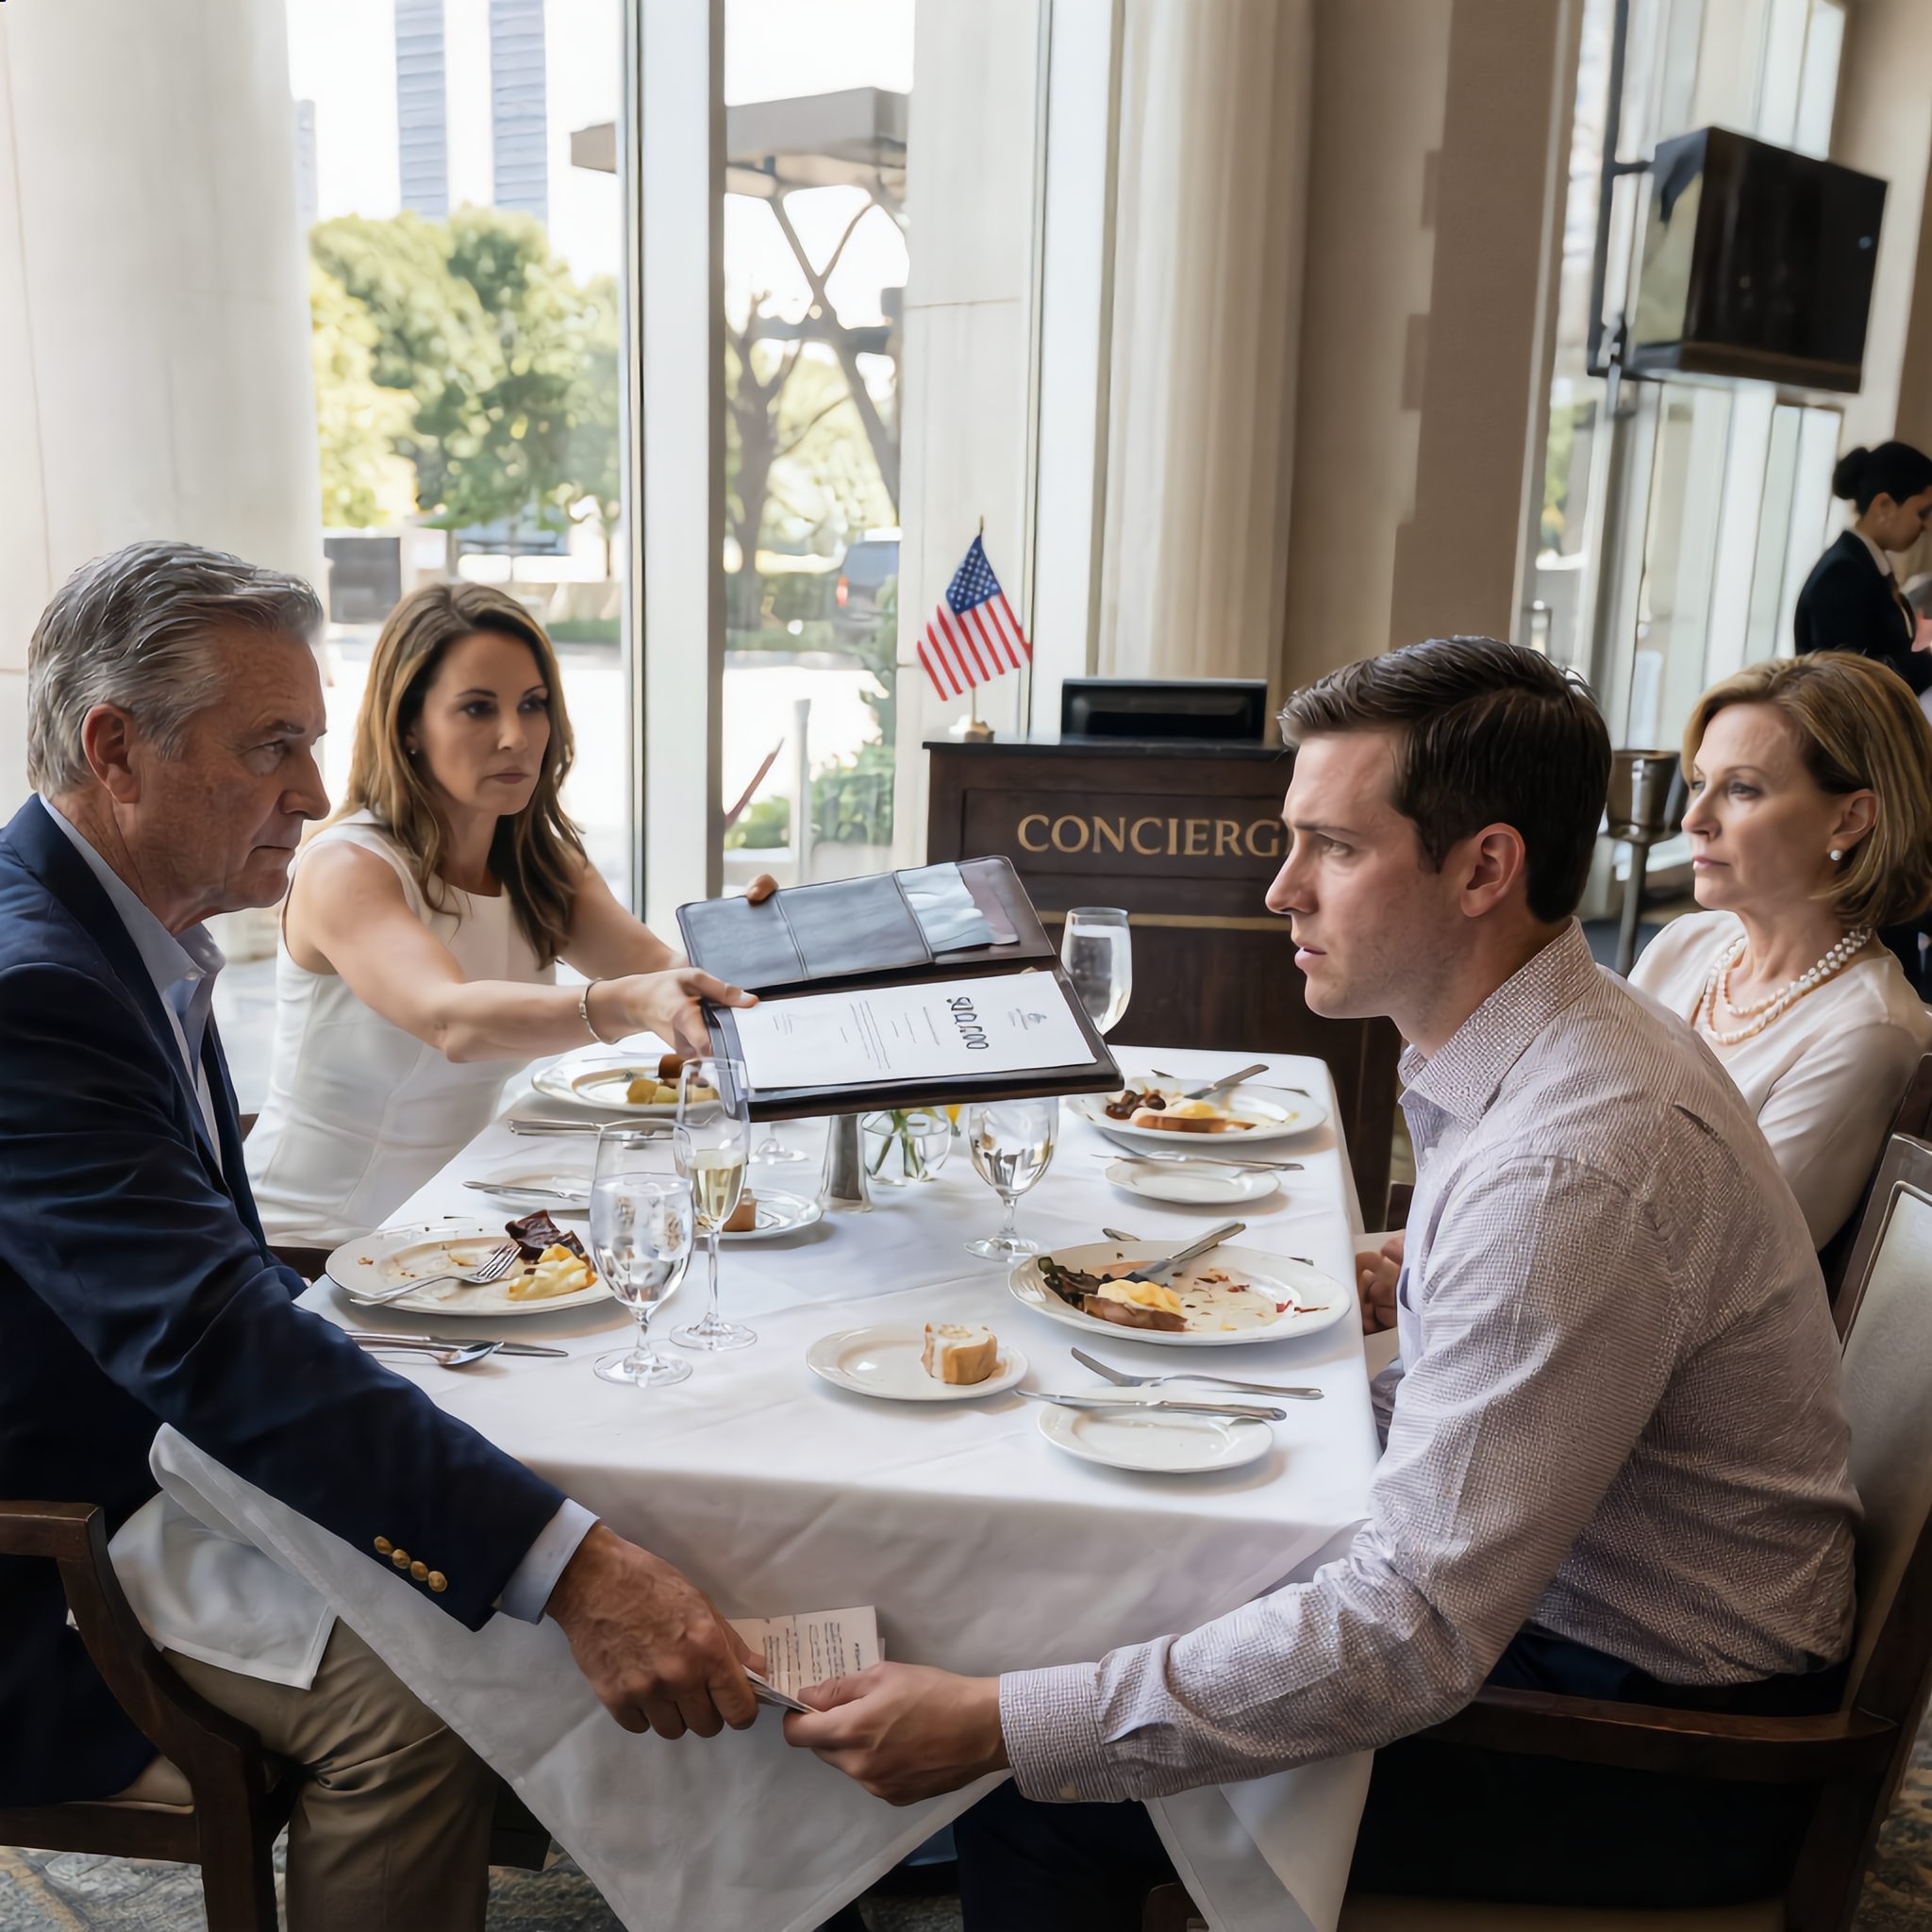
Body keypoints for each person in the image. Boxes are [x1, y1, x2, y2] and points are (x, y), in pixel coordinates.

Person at [780, 638, 1858, 1925]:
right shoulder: (1563, 1040)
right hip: (1568, 1625)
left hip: (1654, 1741)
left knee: (1042, 1783)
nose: (1281, 890)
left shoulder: (1573, 1161)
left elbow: (1414, 1634)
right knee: (1076, 1610)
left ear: (1484, 869)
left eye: (1333, 849)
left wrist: (1003, 1727)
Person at [0, 543, 761, 1927]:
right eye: (273, 744)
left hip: (180, 1446)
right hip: (64, 1541)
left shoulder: (128, 927)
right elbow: (212, 1339)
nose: (307, 785)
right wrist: (578, 1567)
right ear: (116, 749)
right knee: (433, 1696)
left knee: (515, 1538)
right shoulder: (33, 989)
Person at [244, 580, 768, 1250]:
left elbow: (673, 975)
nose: (516, 737)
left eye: (533, 705)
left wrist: (764, 939)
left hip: (455, 1241)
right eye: (476, 709)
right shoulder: (347, 867)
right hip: (308, 1251)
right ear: (409, 726)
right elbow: (450, 1020)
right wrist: (627, 1006)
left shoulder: (539, 865)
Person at [1629, 653, 1932, 1247]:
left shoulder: (1869, 1030)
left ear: (1851, 818)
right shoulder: (1683, 946)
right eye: (1699, 782)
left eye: (1742, 788)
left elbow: (1725, 1262)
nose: (1693, 817)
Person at [1793, 440, 1932, 694]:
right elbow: (1852, 680)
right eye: (1923, 512)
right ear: (1884, 507)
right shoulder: (1843, 573)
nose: (1927, 526)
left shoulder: (1865, 566)